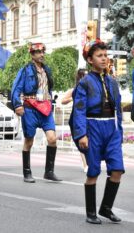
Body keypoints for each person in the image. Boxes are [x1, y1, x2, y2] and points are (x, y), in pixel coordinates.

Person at [69, 39, 124, 224]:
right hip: (93, 128)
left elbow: (118, 109)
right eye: (99, 56)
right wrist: (81, 134)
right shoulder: (84, 83)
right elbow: (79, 110)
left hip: (112, 129)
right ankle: (91, 212)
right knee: (93, 172)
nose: (104, 59)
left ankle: (106, 208)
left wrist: (119, 131)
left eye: (105, 55)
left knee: (117, 170)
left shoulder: (112, 82)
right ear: (90, 60)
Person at [11, 42, 61, 183]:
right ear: (32, 55)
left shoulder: (47, 70)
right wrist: (17, 105)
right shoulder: (25, 70)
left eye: (43, 52)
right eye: (38, 52)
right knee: (29, 140)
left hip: (45, 109)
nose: (42, 55)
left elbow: (48, 88)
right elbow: (16, 89)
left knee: (52, 139)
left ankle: (49, 172)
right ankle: (27, 172)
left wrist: (50, 102)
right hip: (30, 109)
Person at [61, 69, 88, 173]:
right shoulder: (75, 90)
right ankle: (85, 164)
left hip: (87, 118)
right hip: (77, 118)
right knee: (81, 139)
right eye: (83, 76)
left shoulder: (90, 88)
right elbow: (63, 101)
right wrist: (72, 99)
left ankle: (90, 162)